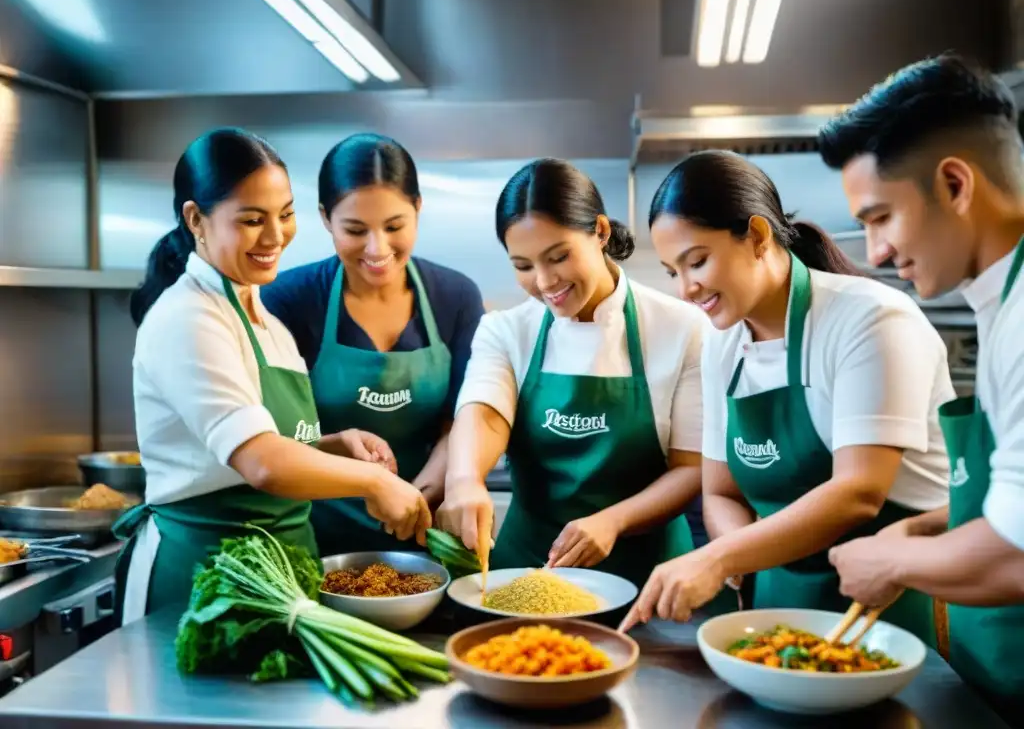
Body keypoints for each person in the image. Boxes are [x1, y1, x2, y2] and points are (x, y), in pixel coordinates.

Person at [620, 150, 951, 647]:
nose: (687, 289)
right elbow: (721, 492)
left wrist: (718, 558)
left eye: (698, 261)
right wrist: (735, 565)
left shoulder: (870, 319)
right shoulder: (722, 344)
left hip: (891, 611)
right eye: (672, 271)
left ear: (756, 236)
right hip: (772, 611)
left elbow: (857, 494)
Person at [116, 128, 430, 625]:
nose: (275, 236)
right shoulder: (189, 318)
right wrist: (371, 482)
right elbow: (260, 463)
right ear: (196, 219)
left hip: (280, 580)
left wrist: (331, 445)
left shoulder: (267, 324)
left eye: (285, 214)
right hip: (204, 585)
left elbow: (262, 444)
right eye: (251, 220)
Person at [818, 54, 1024, 723]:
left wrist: (893, 564)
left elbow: (1018, 553)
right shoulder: (1000, 303)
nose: (874, 251)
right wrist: (930, 528)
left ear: (956, 183)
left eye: (881, 217)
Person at [435, 158, 707, 590]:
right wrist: (464, 478)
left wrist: (614, 521)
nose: (545, 282)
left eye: (558, 256)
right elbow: (484, 411)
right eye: (523, 265)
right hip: (529, 571)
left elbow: (691, 467)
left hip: (650, 579)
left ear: (600, 231)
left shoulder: (682, 327)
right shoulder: (506, 329)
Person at [262, 133, 485, 555]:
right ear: (326, 218)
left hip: (423, 532)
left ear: (418, 208)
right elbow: (274, 437)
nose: (377, 248)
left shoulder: (454, 296)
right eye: (355, 229)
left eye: (395, 226)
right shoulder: (289, 299)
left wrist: (427, 489)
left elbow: (463, 419)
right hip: (311, 541)